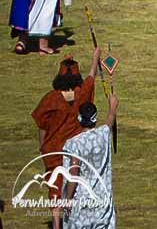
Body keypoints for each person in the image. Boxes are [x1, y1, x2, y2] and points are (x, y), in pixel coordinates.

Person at [32, 52, 100, 229]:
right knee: (75, 184)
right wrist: (94, 59)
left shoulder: (51, 98)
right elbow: (91, 79)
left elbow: (41, 124)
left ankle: (56, 224)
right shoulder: (81, 95)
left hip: (53, 150)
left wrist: (42, 147)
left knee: (54, 187)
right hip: (74, 152)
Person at [62, 95, 119, 229]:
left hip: (82, 202)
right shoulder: (103, 135)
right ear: (95, 118)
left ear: (79, 118)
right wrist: (112, 105)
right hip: (102, 202)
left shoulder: (74, 143)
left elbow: (74, 172)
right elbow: (110, 120)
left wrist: (68, 199)